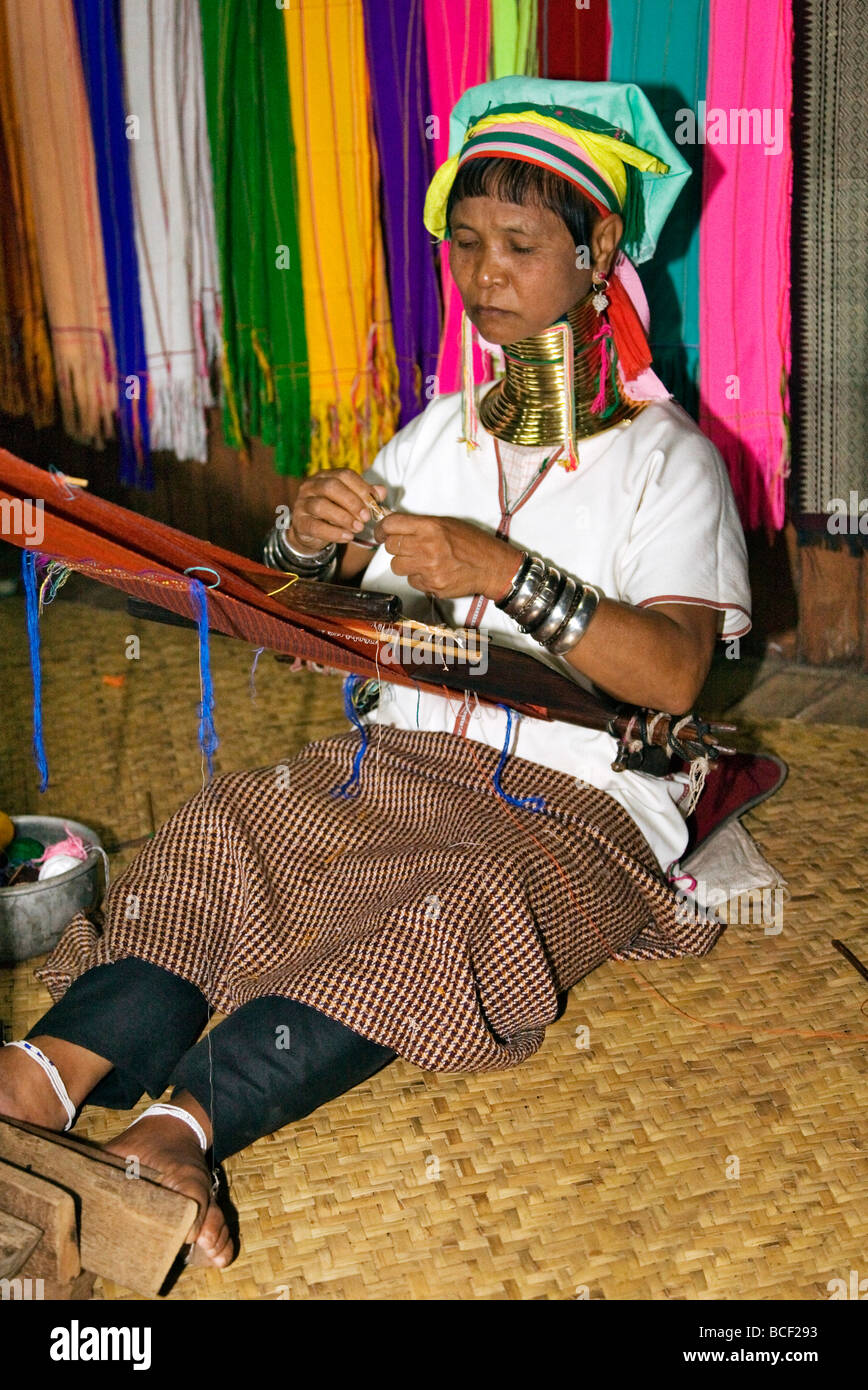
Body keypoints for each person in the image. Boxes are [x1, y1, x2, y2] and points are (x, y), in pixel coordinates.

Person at [0, 77, 751, 1272]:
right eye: (463, 245)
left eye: (518, 244)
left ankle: (179, 1128)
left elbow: (669, 676)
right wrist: (307, 537)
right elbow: (315, 601)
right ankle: (41, 1076)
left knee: (446, 908)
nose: (484, 271)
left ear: (599, 247)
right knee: (228, 830)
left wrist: (506, 571)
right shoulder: (440, 433)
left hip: (576, 805)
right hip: (396, 759)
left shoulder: (672, 464)